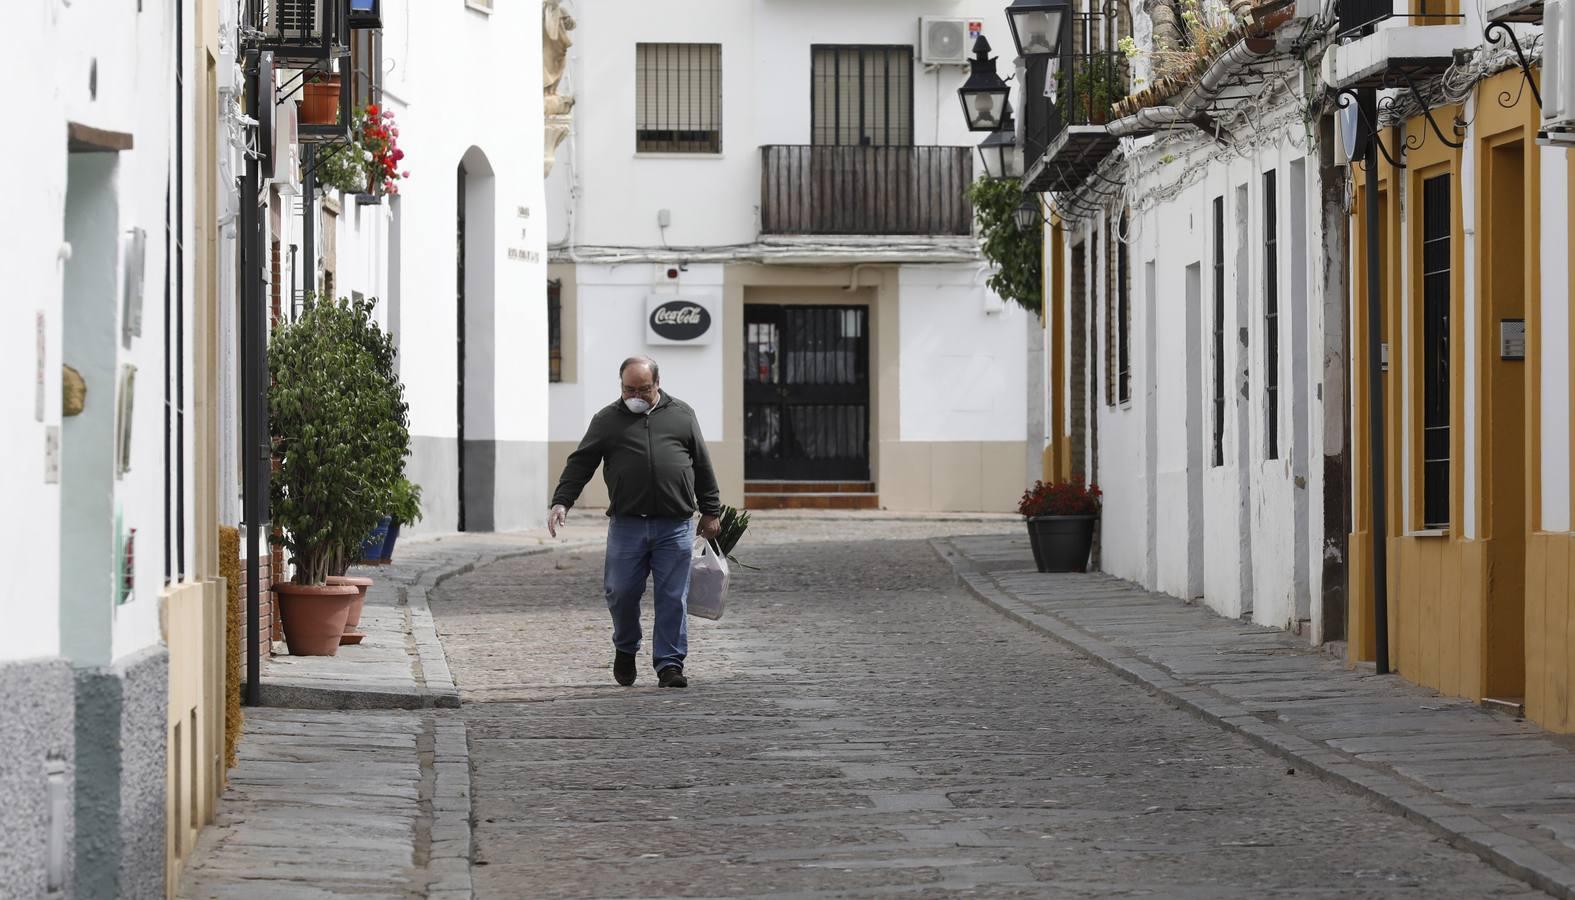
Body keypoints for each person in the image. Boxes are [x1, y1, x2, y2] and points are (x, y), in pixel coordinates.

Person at [548, 356, 722, 688]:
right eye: (629, 389)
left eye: (643, 389)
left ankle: (670, 664)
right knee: (621, 592)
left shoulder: (682, 415)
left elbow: (702, 465)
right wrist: (562, 501)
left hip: (676, 525)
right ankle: (626, 647)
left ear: (658, 384)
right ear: (621, 386)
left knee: (673, 597)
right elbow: (581, 463)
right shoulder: (608, 419)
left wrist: (711, 511)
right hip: (628, 525)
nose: (636, 396)